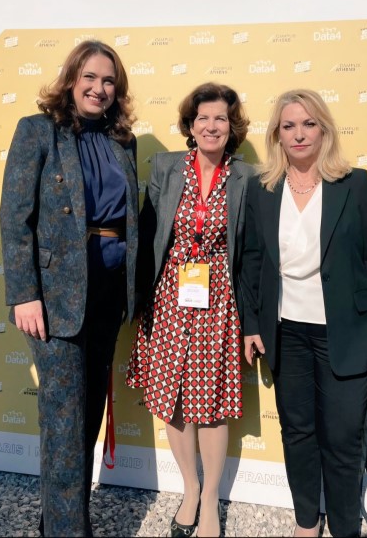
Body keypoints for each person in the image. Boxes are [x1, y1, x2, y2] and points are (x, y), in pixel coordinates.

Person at [241, 89, 367, 538]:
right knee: (297, 432)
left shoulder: (354, 183)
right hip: (285, 332)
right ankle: (307, 521)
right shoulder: (262, 188)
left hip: (346, 332)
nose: (299, 134)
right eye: (289, 125)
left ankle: (345, 527)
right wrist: (251, 324)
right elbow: (252, 260)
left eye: (309, 124)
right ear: (277, 134)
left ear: (324, 130)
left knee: (343, 437)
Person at [0, 40, 138, 537]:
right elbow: (15, 217)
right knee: (63, 418)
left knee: (87, 413)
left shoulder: (124, 141)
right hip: (54, 296)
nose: (99, 88)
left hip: (107, 294)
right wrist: (23, 294)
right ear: (72, 79)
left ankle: (58, 520)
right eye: (90, 77)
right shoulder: (38, 131)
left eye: (109, 81)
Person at [126, 82, 253, 538]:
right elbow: (147, 232)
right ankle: (191, 489)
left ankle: (212, 500)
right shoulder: (166, 167)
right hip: (169, 297)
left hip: (219, 301)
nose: (211, 126)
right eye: (203, 118)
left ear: (232, 127)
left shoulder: (246, 177)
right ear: (190, 124)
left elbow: (252, 251)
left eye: (220, 118)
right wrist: (135, 299)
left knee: (211, 403)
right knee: (174, 399)